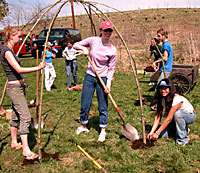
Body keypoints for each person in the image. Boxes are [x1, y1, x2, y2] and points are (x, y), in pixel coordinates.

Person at [0, 27, 46, 159]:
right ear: (11, 37)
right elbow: (18, 68)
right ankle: (26, 150)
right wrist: (37, 68)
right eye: (18, 37)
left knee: (16, 116)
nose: (20, 39)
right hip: (15, 89)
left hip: (18, 88)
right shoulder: (7, 52)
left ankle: (14, 142)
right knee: (25, 117)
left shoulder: (9, 50)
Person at [73, 20, 117, 142]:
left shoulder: (112, 50)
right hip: (89, 76)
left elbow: (111, 68)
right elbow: (75, 44)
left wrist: (108, 84)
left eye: (110, 30)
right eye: (105, 30)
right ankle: (83, 125)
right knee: (85, 101)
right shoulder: (93, 41)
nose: (108, 32)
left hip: (102, 78)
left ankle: (103, 129)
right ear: (101, 30)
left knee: (103, 104)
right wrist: (83, 49)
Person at [147, 78, 196, 146]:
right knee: (163, 134)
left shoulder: (176, 98)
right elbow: (158, 116)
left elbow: (169, 119)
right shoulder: (161, 99)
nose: (163, 91)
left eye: (165, 88)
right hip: (176, 117)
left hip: (189, 116)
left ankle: (182, 140)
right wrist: (152, 132)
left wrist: (157, 133)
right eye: (161, 88)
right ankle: (184, 129)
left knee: (178, 114)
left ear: (170, 89)